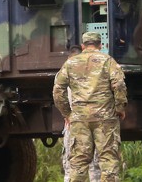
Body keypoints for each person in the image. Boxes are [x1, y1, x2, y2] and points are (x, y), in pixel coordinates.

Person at [53, 32, 127, 182]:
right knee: (108, 160)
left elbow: (57, 91)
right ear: (101, 45)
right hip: (105, 118)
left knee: (79, 161)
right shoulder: (108, 61)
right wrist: (119, 108)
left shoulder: (70, 63)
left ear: (83, 46)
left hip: (79, 119)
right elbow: (119, 85)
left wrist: (67, 113)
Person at [62, 45, 101, 182]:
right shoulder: (96, 72)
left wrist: (67, 114)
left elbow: (58, 96)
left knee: (72, 164)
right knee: (94, 165)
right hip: (95, 122)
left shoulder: (66, 73)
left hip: (75, 124)